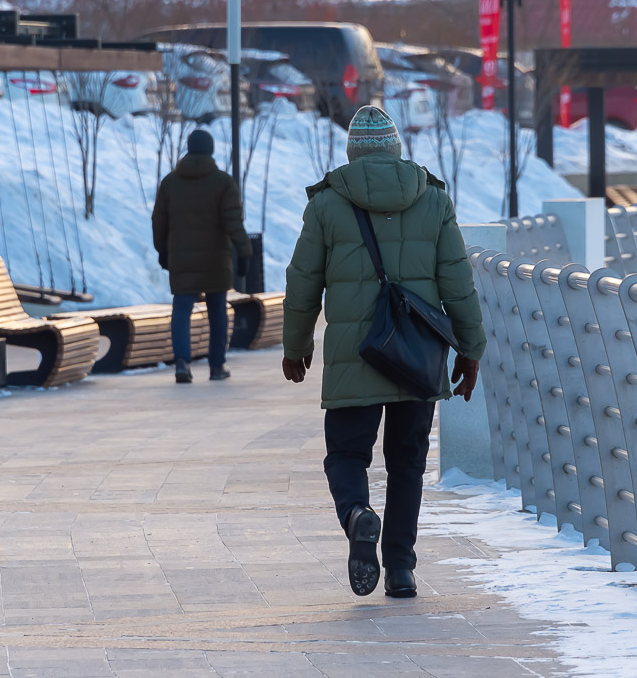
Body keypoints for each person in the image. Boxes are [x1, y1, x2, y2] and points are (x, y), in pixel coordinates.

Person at [281, 105, 485, 599]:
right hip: (416, 353)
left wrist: (296, 346)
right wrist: (470, 350)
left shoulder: (328, 204)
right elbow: (458, 282)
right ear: (396, 149)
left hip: (357, 353)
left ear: (353, 152)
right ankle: (400, 569)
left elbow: (303, 282)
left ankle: (356, 515)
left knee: (346, 454)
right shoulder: (433, 199)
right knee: (407, 463)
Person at [153, 129, 252, 383]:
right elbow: (233, 222)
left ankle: (182, 364)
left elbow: (159, 222)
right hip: (215, 261)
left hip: (182, 259)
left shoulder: (170, 183)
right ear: (210, 150)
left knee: (182, 308)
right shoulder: (223, 182)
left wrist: (162, 251)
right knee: (217, 309)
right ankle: (217, 366)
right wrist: (244, 250)